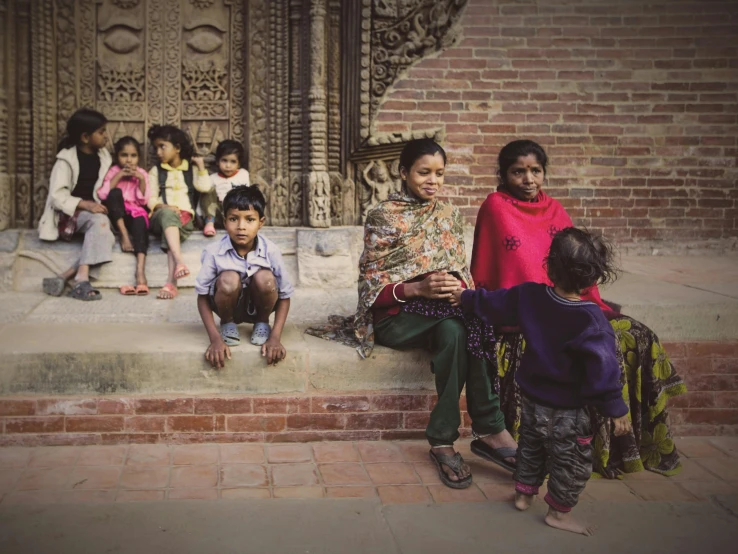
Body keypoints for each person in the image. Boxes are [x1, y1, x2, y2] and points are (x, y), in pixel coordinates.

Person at [306, 139, 518, 489]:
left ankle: (443, 440)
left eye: (439, 174)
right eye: (424, 172)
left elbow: (459, 270)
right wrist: (417, 289)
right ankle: (492, 428)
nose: (432, 181)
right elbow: (370, 287)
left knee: (461, 329)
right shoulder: (383, 216)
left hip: (443, 316)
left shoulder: (448, 215)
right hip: (396, 317)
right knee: (462, 326)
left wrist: (455, 288)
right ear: (403, 172)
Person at [471, 139, 687, 478]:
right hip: (529, 311)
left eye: (536, 171)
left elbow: (578, 262)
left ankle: (622, 447)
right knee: (589, 348)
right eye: (518, 172)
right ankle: (567, 455)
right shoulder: (496, 207)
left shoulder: (555, 209)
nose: (529, 179)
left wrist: (579, 302)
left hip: (572, 301)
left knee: (636, 336)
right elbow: (506, 269)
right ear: (503, 174)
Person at [453, 227, 632, 536]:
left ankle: (523, 494)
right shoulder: (592, 321)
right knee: (570, 462)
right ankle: (559, 515)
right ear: (595, 276)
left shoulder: (529, 296)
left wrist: (463, 297)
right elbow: (604, 370)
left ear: (549, 266)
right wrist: (616, 409)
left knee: (531, 448)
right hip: (569, 412)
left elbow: (493, 303)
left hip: (531, 401)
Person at [195, 185, 293, 368]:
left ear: (261, 222)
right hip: (226, 306)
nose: (241, 227)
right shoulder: (214, 252)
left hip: (261, 306)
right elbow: (201, 297)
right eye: (233, 219)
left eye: (250, 220)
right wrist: (215, 339)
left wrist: (275, 337)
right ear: (224, 222)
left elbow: (285, 295)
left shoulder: (271, 251)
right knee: (229, 279)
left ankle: (262, 323)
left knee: (265, 278)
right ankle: (228, 324)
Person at [38, 108, 114, 301]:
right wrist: (84, 205)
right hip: (68, 216)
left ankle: (68, 276)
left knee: (105, 233)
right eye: (101, 132)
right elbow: (57, 196)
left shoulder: (103, 156)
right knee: (101, 225)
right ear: (85, 137)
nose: (106, 136)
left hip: (94, 214)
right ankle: (81, 279)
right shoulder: (66, 159)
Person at [147, 124, 211, 299]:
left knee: (172, 230)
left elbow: (205, 187)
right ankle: (179, 262)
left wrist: (202, 167)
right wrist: (164, 207)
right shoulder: (156, 171)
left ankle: (171, 283)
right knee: (169, 216)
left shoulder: (191, 170)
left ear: (177, 148)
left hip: (184, 219)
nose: (158, 152)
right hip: (160, 217)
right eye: (156, 148)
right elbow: (150, 198)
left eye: (162, 147)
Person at [97, 136, 151, 295]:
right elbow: (103, 194)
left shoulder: (142, 173)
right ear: (117, 157)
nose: (129, 160)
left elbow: (143, 201)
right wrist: (119, 176)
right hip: (116, 216)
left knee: (141, 220)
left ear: (138, 158)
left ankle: (140, 271)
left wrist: (140, 179)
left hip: (134, 212)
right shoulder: (113, 172)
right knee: (114, 193)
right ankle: (124, 236)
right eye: (124, 155)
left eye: (133, 156)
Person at [199, 139, 250, 237]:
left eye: (233, 161)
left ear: (239, 164)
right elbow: (205, 200)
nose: (228, 165)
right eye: (224, 160)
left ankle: (237, 226)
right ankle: (209, 224)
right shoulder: (213, 178)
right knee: (207, 189)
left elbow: (246, 197)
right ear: (217, 162)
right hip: (217, 215)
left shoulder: (243, 174)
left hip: (236, 213)